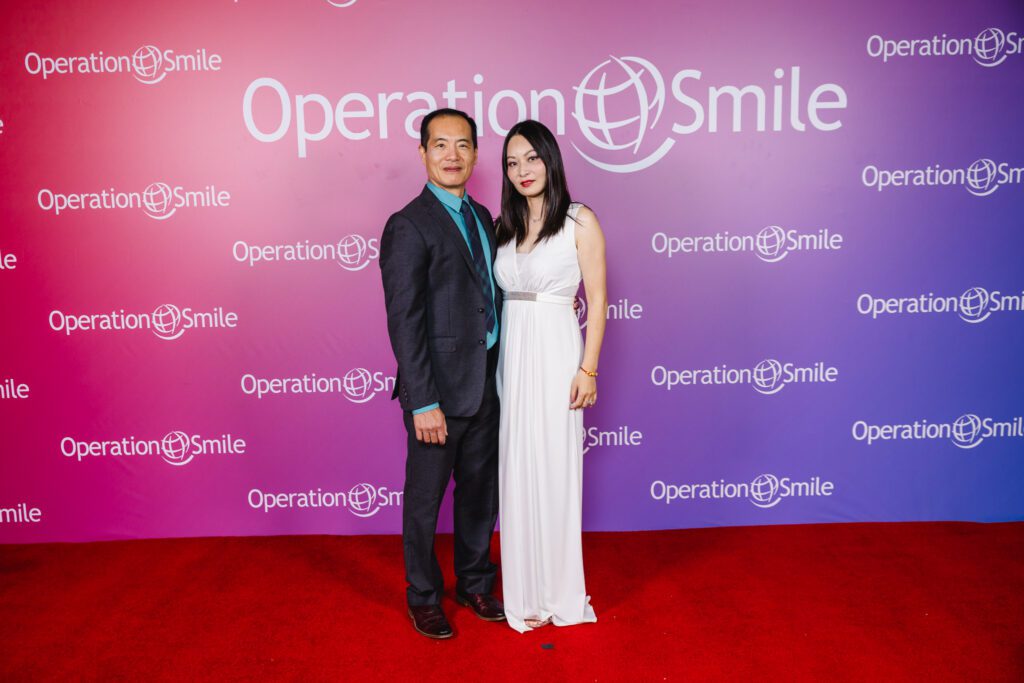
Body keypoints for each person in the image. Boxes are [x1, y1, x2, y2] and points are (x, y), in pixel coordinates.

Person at [379, 109, 506, 639]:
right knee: (425, 501)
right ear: (423, 153)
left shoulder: (482, 216)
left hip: (486, 385)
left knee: (480, 495)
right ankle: (423, 596)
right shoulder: (408, 224)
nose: (451, 155)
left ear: (476, 154)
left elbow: (489, 297)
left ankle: (475, 581)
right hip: (438, 395)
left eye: (462, 146)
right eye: (440, 145)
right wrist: (422, 401)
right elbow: (404, 321)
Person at [493, 119, 606, 632]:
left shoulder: (580, 219)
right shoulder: (505, 225)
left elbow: (599, 301)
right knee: (518, 468)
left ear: (550, 158)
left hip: (560, 354)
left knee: (555, 468)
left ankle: (559, 590)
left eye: (531, 158)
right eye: (512, 163)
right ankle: (526, 593)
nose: (522, 170)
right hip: (512, 360)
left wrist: (589, 368)